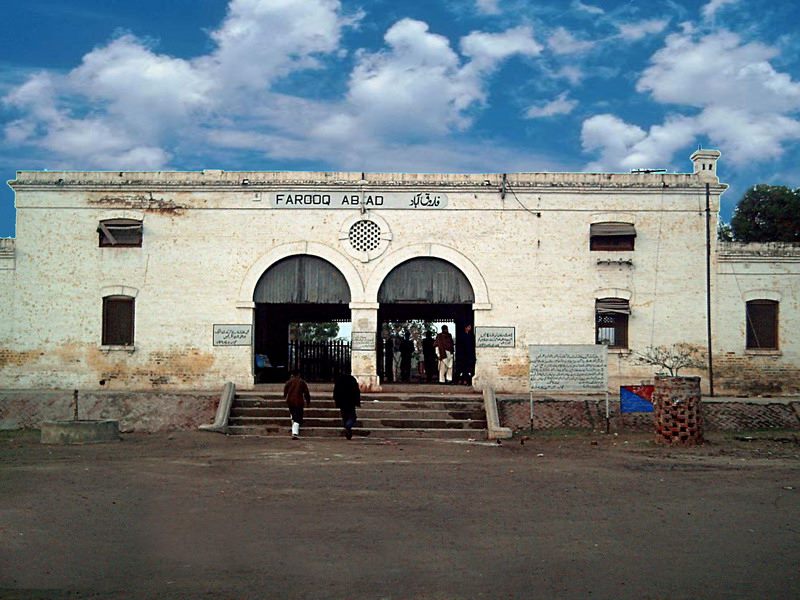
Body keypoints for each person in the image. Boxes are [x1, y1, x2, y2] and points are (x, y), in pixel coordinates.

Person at [283, 369, 310, 439]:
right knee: (298, 417)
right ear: (299, 374)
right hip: (299, 401)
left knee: (293, 414)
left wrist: (285, 396)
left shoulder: (289, 382)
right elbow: (306, 392)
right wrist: (308, 401)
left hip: (290, 401)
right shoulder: (301, 382)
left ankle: (294, 429)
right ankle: (295, 432)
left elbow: (285, 391)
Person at [333, 373, 361, 440]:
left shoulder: (339, 381)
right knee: (352, 417)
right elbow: (356, 392)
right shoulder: (352, 380)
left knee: (345, 416)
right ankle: (348, 426)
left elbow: (335, 392)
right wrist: (357, 402)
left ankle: (347, 427)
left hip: (342, 403)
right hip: (351, 402)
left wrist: (337, 401)